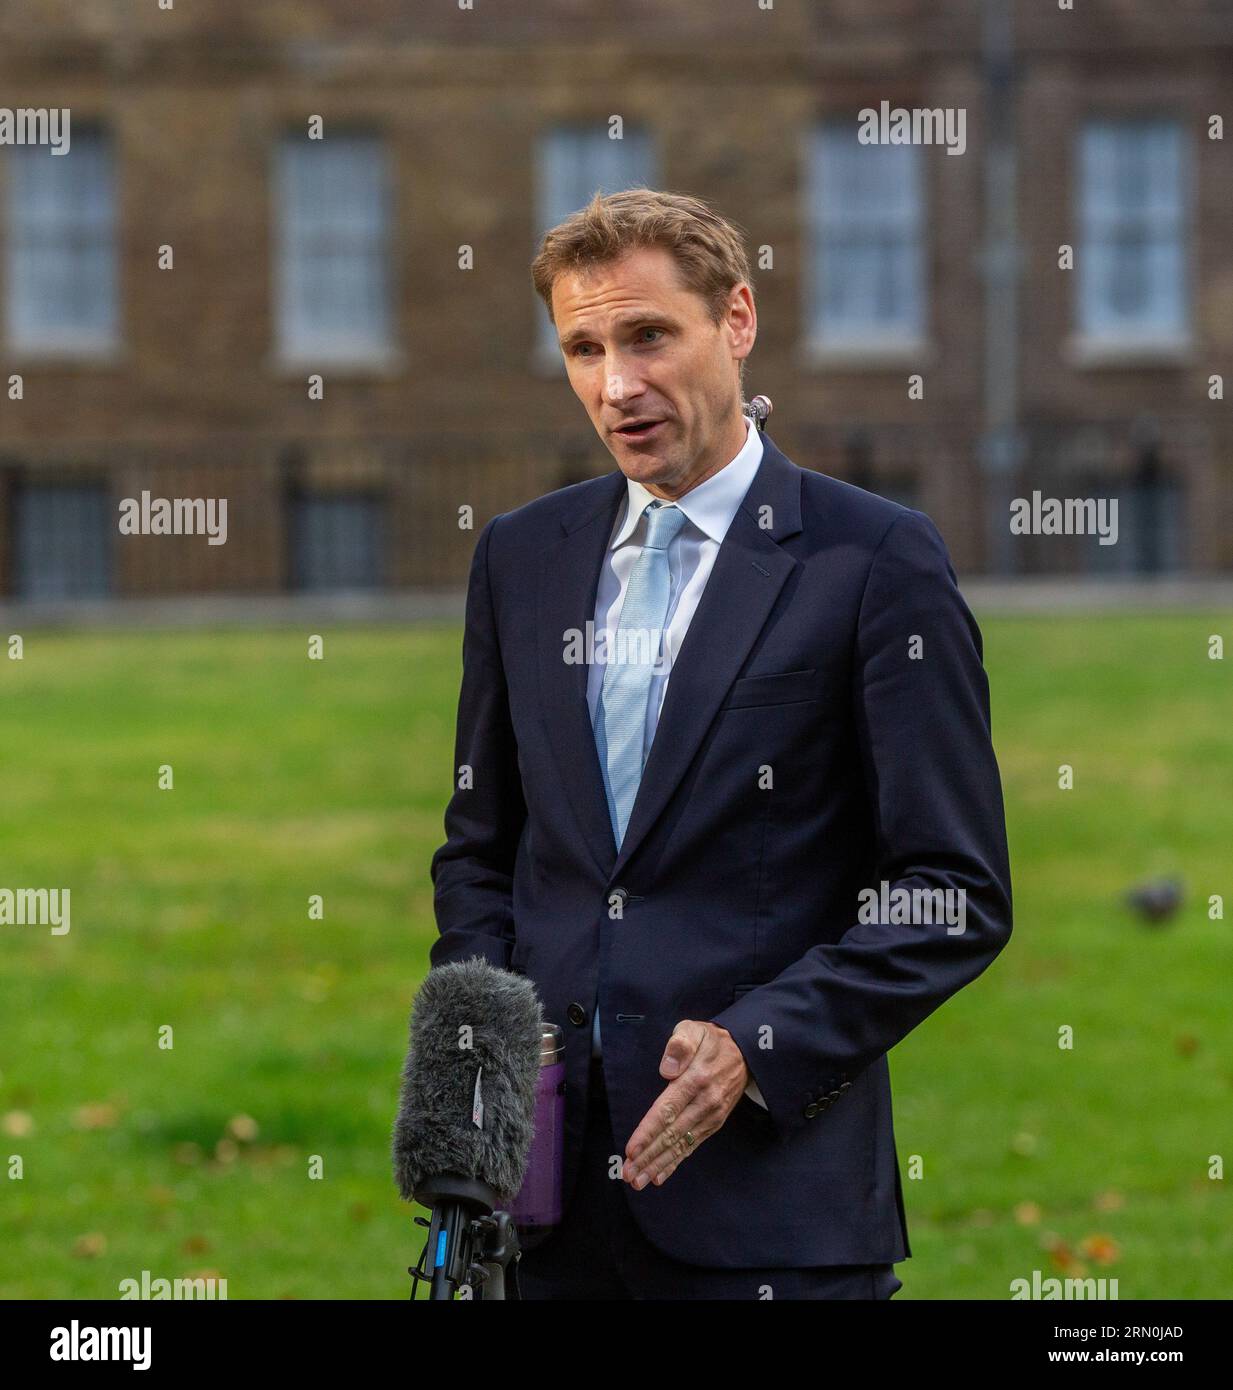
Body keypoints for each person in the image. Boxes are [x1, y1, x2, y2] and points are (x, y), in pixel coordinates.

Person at [429, 187, 1013, 1299]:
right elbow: (480, 852)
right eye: (584, 346)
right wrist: (487, 1057)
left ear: (737, 319)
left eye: (649, 335)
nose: (617, 385)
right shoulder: (521, 556)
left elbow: (953, 890)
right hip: (540, 1223)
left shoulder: (875, 559)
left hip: (772, 1221)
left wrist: (761, 1042)